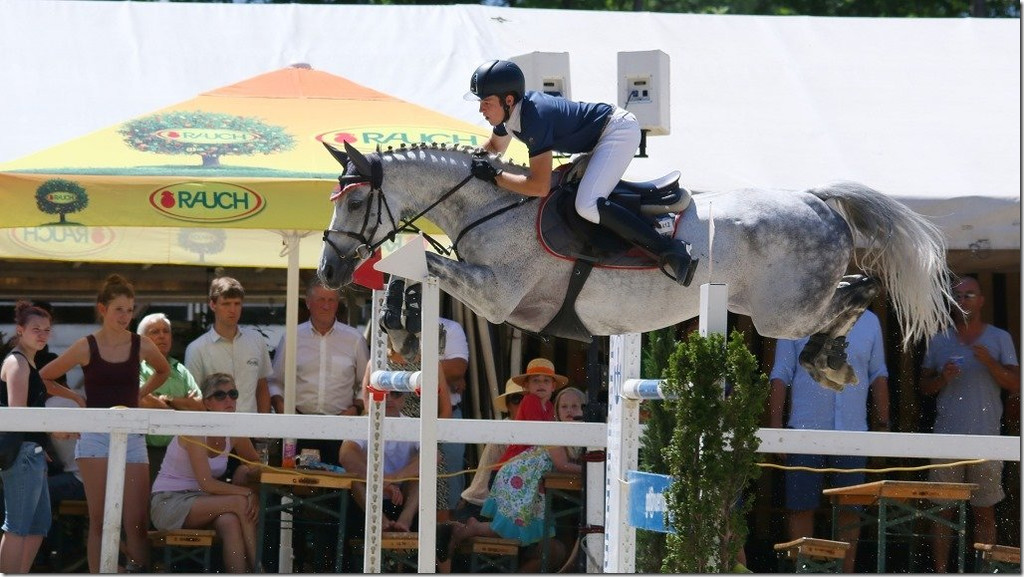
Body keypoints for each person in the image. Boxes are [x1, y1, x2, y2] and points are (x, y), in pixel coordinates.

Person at [465, 59, 697, 286]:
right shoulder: (509, 115)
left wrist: (496, 177)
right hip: (601, 136)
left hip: (618, 132)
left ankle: (670, 249)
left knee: (586, 204)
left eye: (486, 102)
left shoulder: (534, 119)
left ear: (508, 100)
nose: (480, 109)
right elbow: (494, 147)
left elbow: (539, 186)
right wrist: (465, 162)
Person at [39, 274, 171, 573]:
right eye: (119, 309)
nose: (125, 316)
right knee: (100, 520)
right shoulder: (86, 345)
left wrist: (140, 393)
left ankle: (136, 569)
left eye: (130, 310)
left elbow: (163, 371)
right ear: (103, 309)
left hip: (132, 436)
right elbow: (44, 376)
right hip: (95, 436)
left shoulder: (141, 343)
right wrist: (76, 397)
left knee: (137, 521)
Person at [768, 309, 889, 573]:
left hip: (853, 434)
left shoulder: (869, 321)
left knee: (850, 509)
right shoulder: (795, 315)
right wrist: (776, 429)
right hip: (804, 431)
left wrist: (883, 426)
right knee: (800, 507)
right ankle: (804, 572)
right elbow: (781, 373)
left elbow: (878, 373)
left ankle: (846, 573)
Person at [920, 276, 1019, 573]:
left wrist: (989, 362)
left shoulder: (999, 338)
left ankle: (985, 572)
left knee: (984, 512)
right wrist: (943, 378)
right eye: (958, 296)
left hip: (986, 437)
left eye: (969, 295)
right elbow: (923, 387)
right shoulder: (939, 340)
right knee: (943, 511)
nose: (963, 301)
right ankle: (941, 572)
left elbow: (1015, 383)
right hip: (946, 437)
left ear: (982, 301)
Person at [448, 358, 582, 570]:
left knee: (519, 527)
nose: (540, 385)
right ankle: (473, 528)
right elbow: (547, 441)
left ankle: (477, 529)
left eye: (546, 381)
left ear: (553, 386)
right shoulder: (531, 403)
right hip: (515, 474)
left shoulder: (548, 408)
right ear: (526, 386)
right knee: (510, 527)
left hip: (525, 477)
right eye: (535, 380)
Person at [150, 373, 262, 573]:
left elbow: (255, 464)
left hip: (201, 501)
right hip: (169, 502)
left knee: (230, 521)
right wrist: (247, 492)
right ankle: (259, 569)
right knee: (240, 502)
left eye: (233, 394)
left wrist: (245, 473)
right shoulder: (195, 428)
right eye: (220, 395)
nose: (228, 400)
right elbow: (206, 483)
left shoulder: (234, 430)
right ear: (207, 403)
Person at [0, 301, 80, 573]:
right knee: (18, 526)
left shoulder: (27, 363)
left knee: (37, 525)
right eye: (36, 329)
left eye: (47, 329)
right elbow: (18, 416)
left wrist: (41, 442)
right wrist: (52, 432)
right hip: (23, 455)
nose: (43, 334)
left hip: (31, 452)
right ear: (20, 330)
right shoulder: (18, 363)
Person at [267, 279, 368, 464]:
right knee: (295, 480)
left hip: (341, 428)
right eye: (321, 299)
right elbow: (275, 381)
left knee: (340, 480)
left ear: (337, 304)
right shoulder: (291, 337)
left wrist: (356, 408)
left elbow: (366, 383)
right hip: (298, 427)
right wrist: (282, 408)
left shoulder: (354, 339)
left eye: (331, 300)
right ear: (308, 303)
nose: (326, 306)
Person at [185, 276, 272, 415]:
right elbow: (194, 398)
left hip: (252, 425)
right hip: (215, 426)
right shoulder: (196, 349)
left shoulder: (256, 340)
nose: (232, 309)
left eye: (237, 303)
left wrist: (264, 424)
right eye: (226, 304)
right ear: (213, 305)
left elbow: (262, 387)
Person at [338, 390, 421, 535]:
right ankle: (379, 520)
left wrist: (393, 478)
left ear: (404, 397)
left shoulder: (413, 424)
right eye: (382, 393)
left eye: (396, 393)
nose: (388, 398)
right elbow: (346, 456)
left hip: (402, 494)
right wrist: (381, 482)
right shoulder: (363, 423)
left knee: (423, 471)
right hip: (368, 493)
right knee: (354, 476)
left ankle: (405, 520)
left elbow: (434, 456)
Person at [137, 312, 204, 480]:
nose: (162, 336)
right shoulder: (136, 368)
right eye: (155, 332)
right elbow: (142, 400)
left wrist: (166, 399)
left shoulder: (181, 370)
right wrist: (182, 405)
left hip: (180, 453)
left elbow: (199, 406)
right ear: (142, 339)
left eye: (166, 331)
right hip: (146, 452)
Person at [454, 379, 524, 523]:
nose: (523, 404)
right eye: (517, 399)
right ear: (508, 405)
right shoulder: (508, 429)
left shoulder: (529, 428)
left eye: (528, 399)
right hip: (480, 507)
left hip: (489, 504)